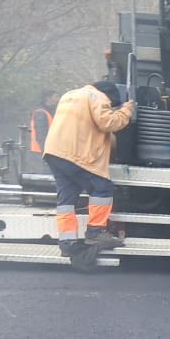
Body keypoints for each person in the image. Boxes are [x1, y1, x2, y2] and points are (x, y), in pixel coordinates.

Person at [42, 81, 135, 258]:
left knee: (67, 199)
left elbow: (86, 126)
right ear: (109, 95)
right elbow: (108, 123)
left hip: (54, 152)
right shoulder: (97, 96)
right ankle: (96, 232)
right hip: (75, 154)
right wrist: (126, 111)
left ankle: (67, 243)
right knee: (102, 187)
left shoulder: (70, 94)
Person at [26, 90, 59, 174]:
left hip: (46, 151)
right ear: (48, 98)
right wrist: (46, 154)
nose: (58, 99)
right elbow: (41, 135)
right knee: (45, 176)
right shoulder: (41, 113)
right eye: (55, 97)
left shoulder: (48, 112)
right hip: (40, 152)